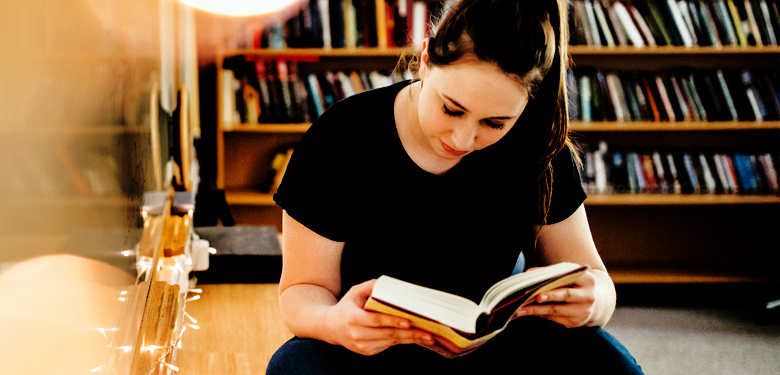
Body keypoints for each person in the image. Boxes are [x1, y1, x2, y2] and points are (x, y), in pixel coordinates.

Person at [265, 0, 644, 374]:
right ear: (426, 59)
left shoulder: (536, 145)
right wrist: (333, 322)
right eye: (451, 109)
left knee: (612, 365)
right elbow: (300, 292)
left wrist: (595, 303)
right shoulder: (342, 137)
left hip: (495, 346)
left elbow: (596, 280)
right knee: (294, 366)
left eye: (495, 123)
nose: (463, 139)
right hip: (372, 349)